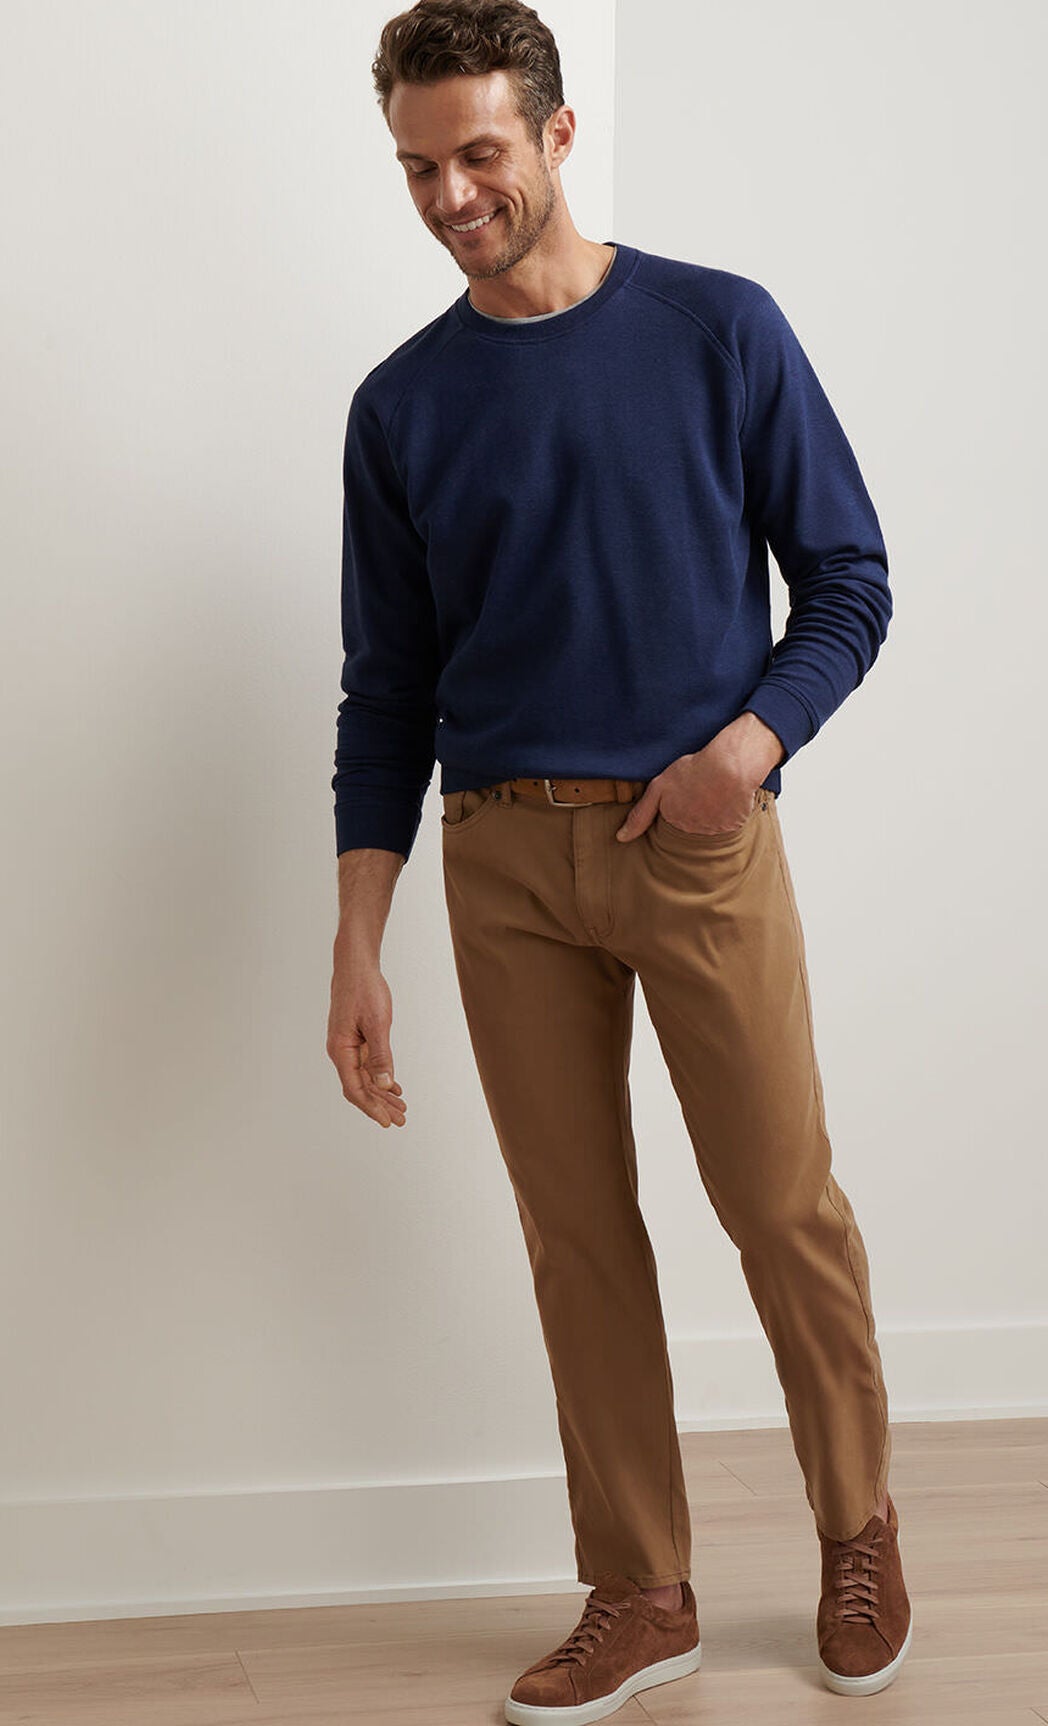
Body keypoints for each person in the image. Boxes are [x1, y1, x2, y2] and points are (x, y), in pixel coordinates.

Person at [326, 2, 911, 1719]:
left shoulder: (719, 329)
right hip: (502, 863)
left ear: (559, 135)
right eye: (418, 168)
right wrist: (358, 942)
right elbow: (386, 692)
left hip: (696, 842)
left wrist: (750, 748)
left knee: (781, 1206)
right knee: (577, 1237)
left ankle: (858, 1526)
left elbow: (850, 577)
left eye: (478, 154)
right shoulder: (401, 405)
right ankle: (640, 1587)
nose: (450, 196)